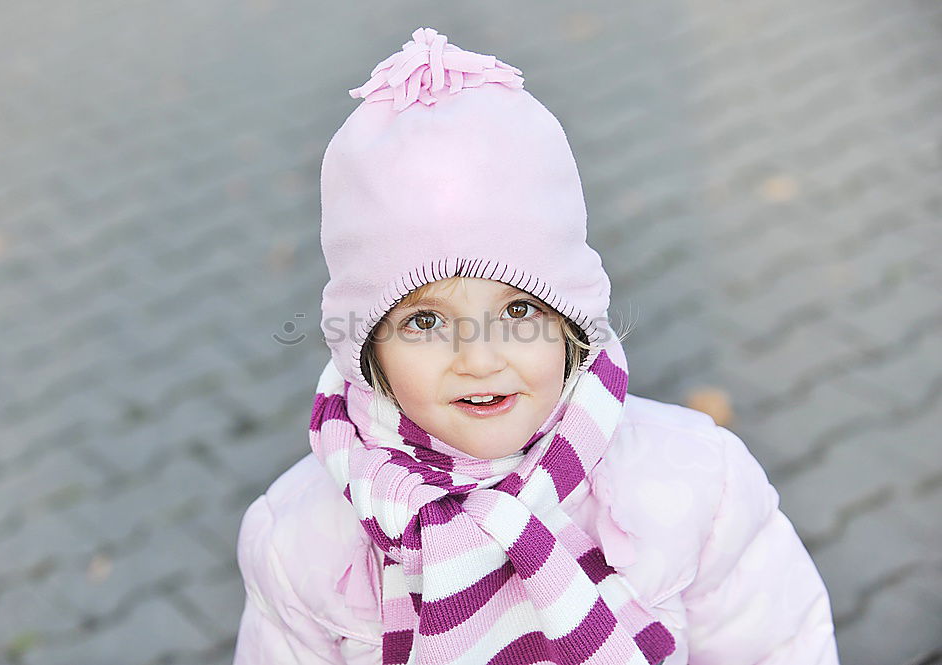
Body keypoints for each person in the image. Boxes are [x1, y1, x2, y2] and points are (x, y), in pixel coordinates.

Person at [231, 27, 840, 665]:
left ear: (571, 319)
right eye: (423, 322)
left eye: (519, 309)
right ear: (367, 353)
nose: (479, 359)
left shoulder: (697, 485)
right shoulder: (298, 544)